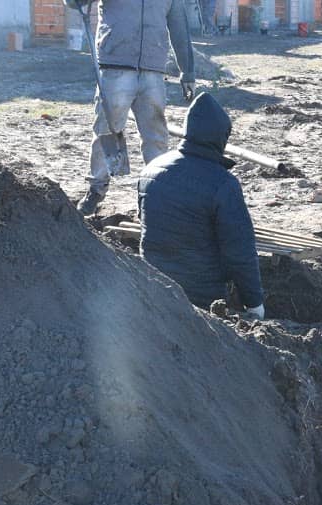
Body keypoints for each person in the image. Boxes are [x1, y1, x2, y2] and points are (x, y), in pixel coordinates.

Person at [138, 93, 265, 320]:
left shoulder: (151, 169)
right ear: (221, 136)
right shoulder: (223, 183)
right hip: (202, 298)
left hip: (152, 288)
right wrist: (254, 303)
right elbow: (240, 252)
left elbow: (145, 223)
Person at [77, 0, 196, 217]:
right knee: (106, 130)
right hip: (115, 65)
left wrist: (187, 71)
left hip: (153, 70)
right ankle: (96, 189)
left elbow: (179, 25)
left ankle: (156, 193)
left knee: (156, 136)